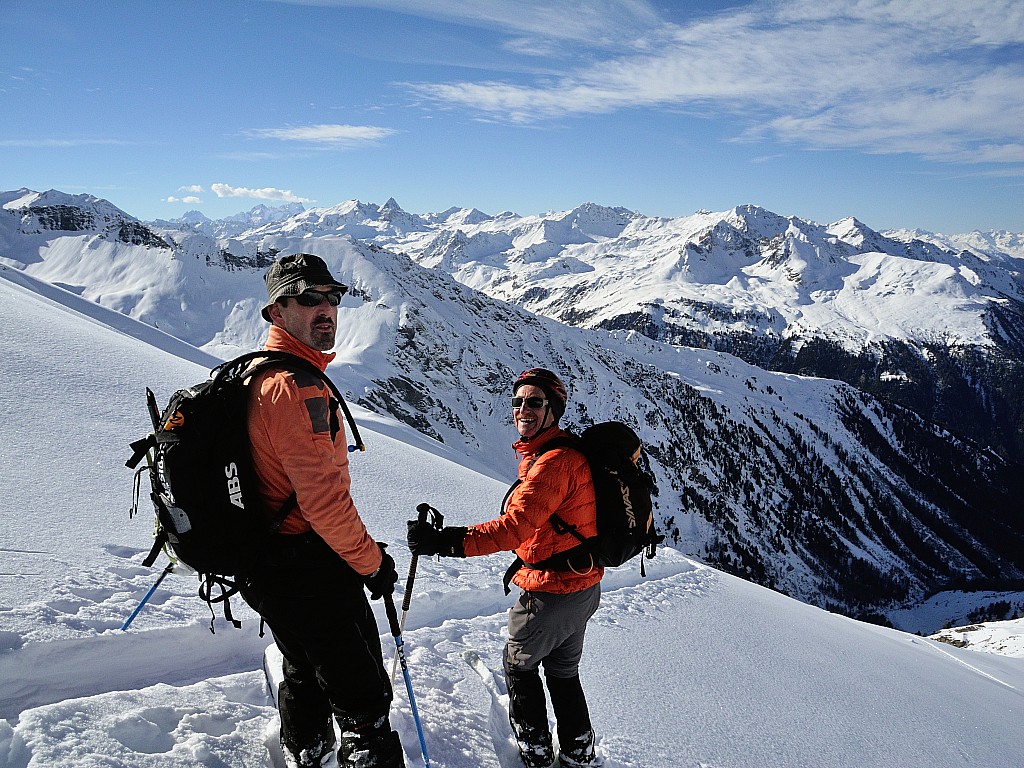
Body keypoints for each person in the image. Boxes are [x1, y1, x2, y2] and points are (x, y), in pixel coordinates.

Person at [239, 253, 404, 768]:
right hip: (306, 565)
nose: (326, 308)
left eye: (332, 297)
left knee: (304, 667)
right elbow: (325, 505)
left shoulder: (258, 374)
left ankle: (307, 750)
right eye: (309, 299)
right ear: (276, 312)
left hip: (266, 563)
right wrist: (372, 562)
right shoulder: (297, 388)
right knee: (364, 700)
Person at [407, 368, 602, 768]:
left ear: (554, 409)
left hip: (551, 591)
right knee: (564, 671)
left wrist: (446, 541)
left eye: (535, 402)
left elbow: (513, 528)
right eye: (518, 402)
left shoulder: (553, 464)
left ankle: (535, 754)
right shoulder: (561, 452)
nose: (523, 409)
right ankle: (579, 751)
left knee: (518, 663)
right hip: (583, 584)